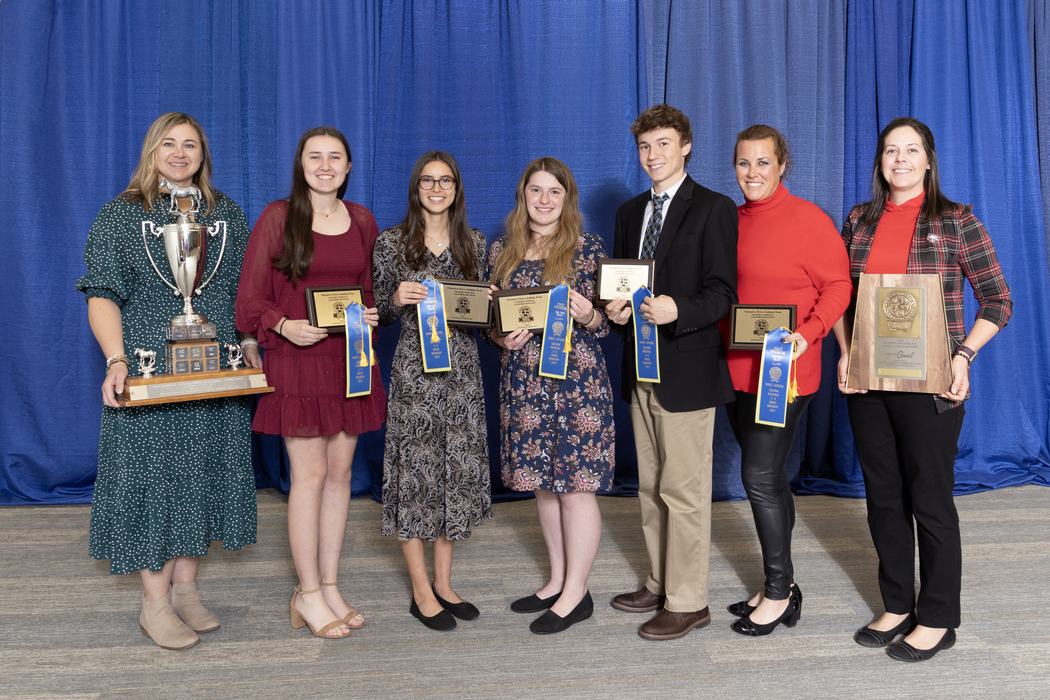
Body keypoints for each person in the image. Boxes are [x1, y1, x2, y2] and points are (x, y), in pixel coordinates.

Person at [76, 112, 259, 650]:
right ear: (152, 151)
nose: (181, 154)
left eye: (192, 145)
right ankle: (153, 603)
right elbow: (102, 293)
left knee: (201, 476)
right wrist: (116, 360)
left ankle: (186, 589)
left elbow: (240, 293)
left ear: (204, 153)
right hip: (150, 369)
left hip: (215, 368)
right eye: (169, 145)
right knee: (152, 483)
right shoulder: (121, 214)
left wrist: (247, 344)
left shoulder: (227, 214)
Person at [834, 117, 1012, 661]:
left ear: (929, 160)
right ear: (880, 161)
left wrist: (964, 355)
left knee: (930, 500)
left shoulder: (958, 221)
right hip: (868, 382)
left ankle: (937, 615)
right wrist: (845, 353)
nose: (901, 160)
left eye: (911, 150)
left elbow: (998, 301)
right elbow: (842, 295)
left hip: (932, 382)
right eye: (891, 150)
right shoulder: (859, 220)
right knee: (883, 497)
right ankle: (896, 603)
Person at [236, 126, 386, 640]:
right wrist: (282, 325)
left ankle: (329, 583)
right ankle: (305, 592)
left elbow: (368, 292)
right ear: (301, 165)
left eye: (335, 157)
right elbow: (251, 300)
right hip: (298, 363)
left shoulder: (363, 220)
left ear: (348, 167)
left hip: (351, 363)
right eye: (315, 157)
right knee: (310, 477)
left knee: (342, 475)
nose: (325, 165)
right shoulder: (278, 218)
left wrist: (370, 315)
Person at [606, 104, 737, 641]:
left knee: (683, 490)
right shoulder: (629, 212)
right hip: (641, 367)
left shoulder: (713, 207)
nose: (652, 155)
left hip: (686, 369)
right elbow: (618, 285)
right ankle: (660, 582)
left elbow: (723, 294)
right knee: (650, 485)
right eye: (644, 147)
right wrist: (615, 310)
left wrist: (676, 309)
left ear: (685, 146)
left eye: (663, 144)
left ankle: (689, 601)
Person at [722, 125, 851, 635]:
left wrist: (810, 332)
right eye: (743, 163)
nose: (752, 173)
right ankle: (782, 582)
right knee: (770, 477)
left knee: (757, 476)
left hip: (786, 370)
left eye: (762, 163)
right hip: (735, 369)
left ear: (783, 166)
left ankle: (778, 592)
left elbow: (838, 285)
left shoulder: (808, 220)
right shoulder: (728, 222)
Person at [488, 157, 615, 635]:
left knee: (576, 489)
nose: (544, 200)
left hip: (577, 388)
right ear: (523, 196)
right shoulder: (502, 250)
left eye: (553, 192)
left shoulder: (588, 249)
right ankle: (558, 579)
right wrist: (502, 339)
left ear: (567, 198)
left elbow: (609, 326)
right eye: (535, 191)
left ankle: (576, 592)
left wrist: (588, 317)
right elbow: (490, 322)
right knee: (543, 486)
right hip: (525, 384)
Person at [373, 151, 491, 632]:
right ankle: (421, 590)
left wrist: (495, 308)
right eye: (428, 180)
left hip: (462, 377)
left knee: (453, 477)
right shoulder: (392, 243)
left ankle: (444, 582)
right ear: (416, 186)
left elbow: (485, 319)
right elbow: (375, 311)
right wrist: (394, 299)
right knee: (416, 475)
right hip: (414, 376)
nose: (437, 188)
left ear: (457, 188)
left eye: (446, 181)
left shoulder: (476, 244)